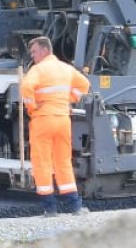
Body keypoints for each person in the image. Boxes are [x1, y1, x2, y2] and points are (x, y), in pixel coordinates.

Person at [20, 35, 91, 217]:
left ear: (45, 50)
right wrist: (71, 99)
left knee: (42, 162)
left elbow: (26, 88)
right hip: (63, 119)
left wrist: (32, 107)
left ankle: (50, 208)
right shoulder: (66, 68)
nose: (32, 56)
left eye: (34, 52)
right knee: (63, 161)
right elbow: (84, 84)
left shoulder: (38, 70)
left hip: (43, 119)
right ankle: (75, 206)